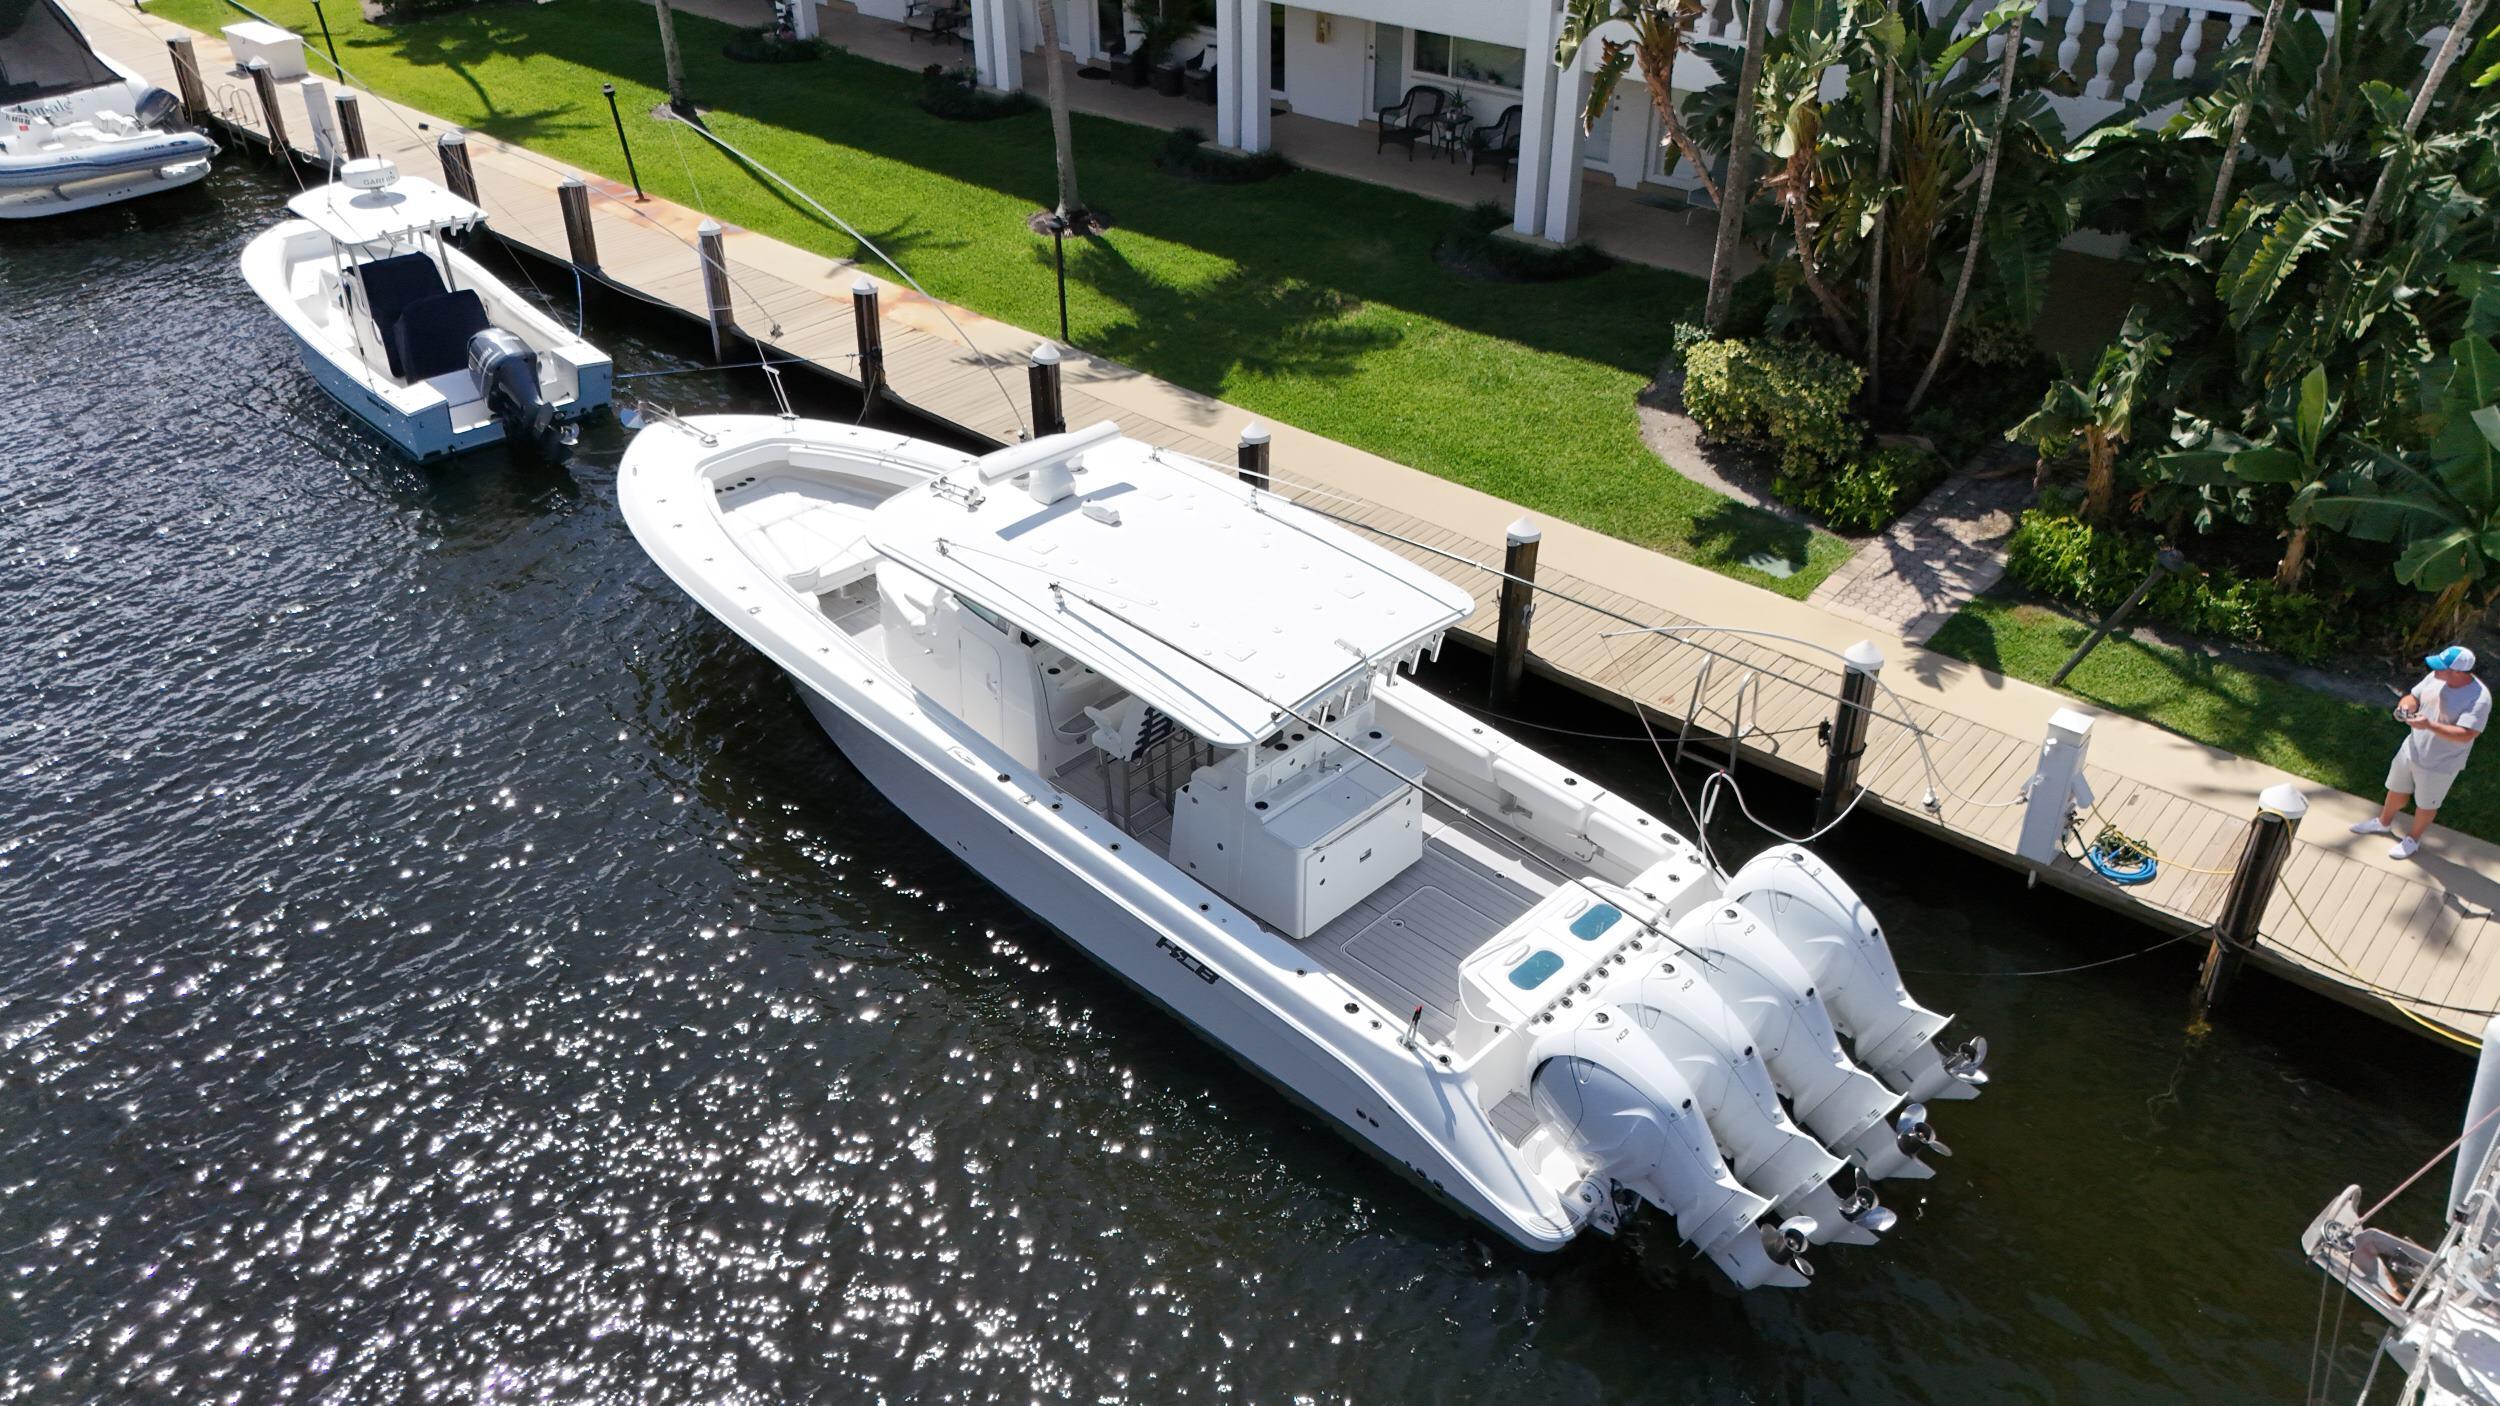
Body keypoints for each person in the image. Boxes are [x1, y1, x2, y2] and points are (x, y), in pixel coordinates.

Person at [2351, 645, 2489, 859]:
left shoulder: (2479, 699)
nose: (2434, 670)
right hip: (2411, 749)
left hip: (2440, 763)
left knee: (2426, 805)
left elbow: (2467, 734)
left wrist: (2430, 726)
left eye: (2441, 667)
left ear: (2458, 673)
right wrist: (2404, 708)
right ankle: (2383, 823)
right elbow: (2412, 697)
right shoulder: (2436, 678)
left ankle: (2413, 840)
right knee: (2396, 788)